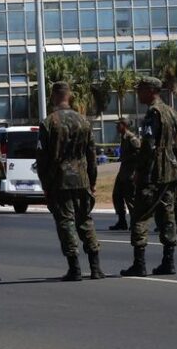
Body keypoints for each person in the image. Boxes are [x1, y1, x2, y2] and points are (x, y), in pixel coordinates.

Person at [37, 82, 102, 281]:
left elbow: (43, 157)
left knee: (66, 222)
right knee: (85, 221)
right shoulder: (83, 121)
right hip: (82, 179)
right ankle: (95, 267)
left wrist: (45, 183)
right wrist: (92, 180)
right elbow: (92, 154)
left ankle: (74, 267)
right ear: (70, 96)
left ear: (54, 96)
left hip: (60, 180)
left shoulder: (49, 123)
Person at [120, 76, 177, 277]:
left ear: (151, 90)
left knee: (140, 216)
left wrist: (140, 171)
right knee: (167, 215)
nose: (138, 93)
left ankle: (139, 263)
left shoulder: (153, 113)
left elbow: (148, 144)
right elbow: (176, 143)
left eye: (140, 90)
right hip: (170, 172)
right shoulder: (172, 112)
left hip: (153, 173)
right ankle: (169, 261)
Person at [109, 119, 139, 231]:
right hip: (123, 172)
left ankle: (135, 222)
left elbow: (140, 155)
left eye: (118, 125)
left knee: (130, 198)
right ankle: (122, 221)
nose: (117, 127)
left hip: (130, 173)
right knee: (117, 196)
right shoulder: (123, 137)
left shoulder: (132, 138)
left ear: (124, 125)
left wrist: (136, 172)